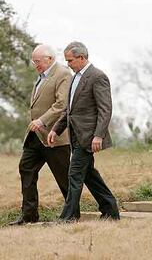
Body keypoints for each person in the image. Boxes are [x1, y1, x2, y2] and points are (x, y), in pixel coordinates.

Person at [47, 41, 120, 221]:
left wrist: (98, 135)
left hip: (88, 137)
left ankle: (68, 217)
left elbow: (105, 109)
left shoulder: (97, 77)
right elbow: (69, 110)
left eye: (70, 60)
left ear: (81, 58)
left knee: (74, 173)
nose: (68, 64)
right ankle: (110, 210)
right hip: (75, 136)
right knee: (89, 175)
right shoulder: (74, 78)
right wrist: (56, 130)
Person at [9, 44, 72, 226]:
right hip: (35, 137)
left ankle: (72, 214)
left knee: (63, 177)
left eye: (37, 61)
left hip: (55, 136)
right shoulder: (41, 76)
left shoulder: (62, 74)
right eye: (33, 61)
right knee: (26, 168)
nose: (35, 64)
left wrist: (42, 121)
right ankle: (29, 215)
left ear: (49, 59)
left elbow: (62, 104)